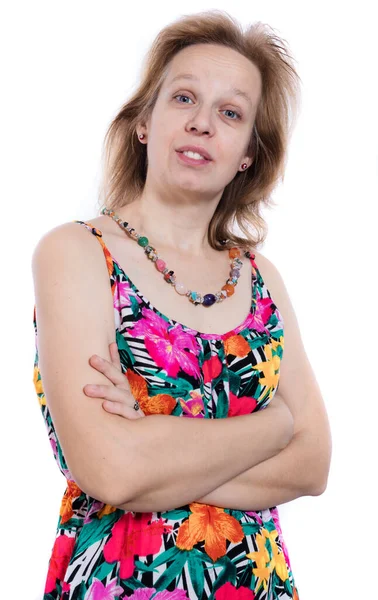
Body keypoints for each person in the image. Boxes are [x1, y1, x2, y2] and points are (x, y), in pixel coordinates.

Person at [32, 9, 332, 600]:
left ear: (248, 152)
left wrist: (150, 440)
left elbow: (313, 464)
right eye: (183, 98)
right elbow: (112, 471)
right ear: (145, 120)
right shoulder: (77, 252)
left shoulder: (260, 279)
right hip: (122, 584)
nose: (201, 123)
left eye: (230, 113)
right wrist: (274, 426)